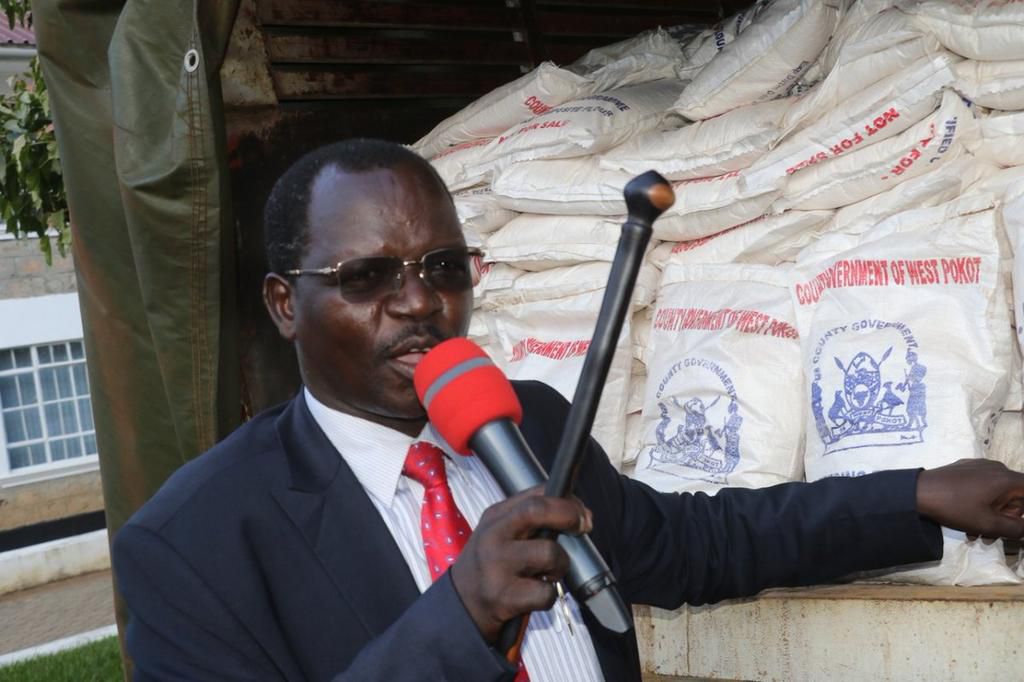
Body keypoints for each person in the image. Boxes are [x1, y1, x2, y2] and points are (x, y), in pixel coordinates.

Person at [113, 139, 1024, 682]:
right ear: (283, 304)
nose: (420, 303)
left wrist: (918, 496)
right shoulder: (190, 547)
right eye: (367, 278)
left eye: (442, 268)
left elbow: (697, 543)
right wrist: (459, 616)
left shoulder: (525, 423)